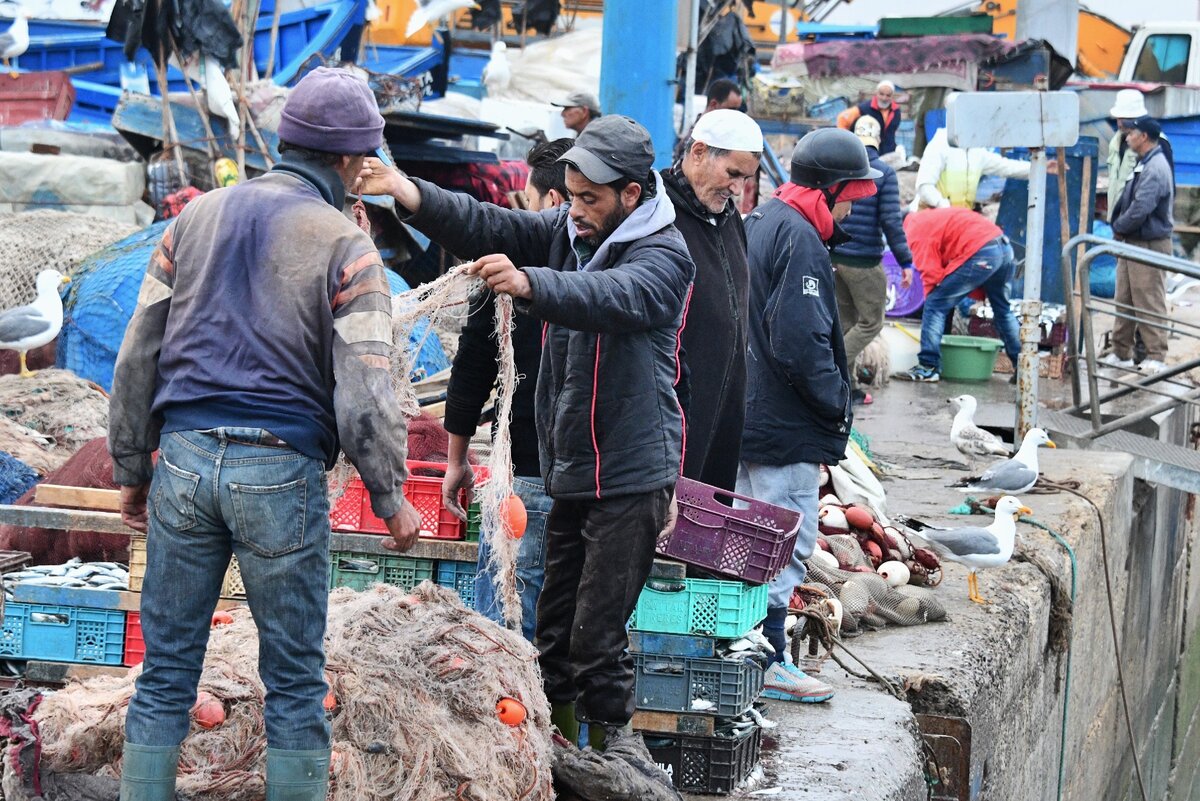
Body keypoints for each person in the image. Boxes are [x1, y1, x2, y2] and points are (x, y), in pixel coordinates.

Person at [107, 67, 420, 801]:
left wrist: (131, 467)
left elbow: (137, 353)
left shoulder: (194, 219)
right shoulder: (347, 245)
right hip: (278, 469)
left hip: (183, 463)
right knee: (293, 683)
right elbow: (367, 388)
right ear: (350, 163)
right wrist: (390, 493)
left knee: (166, 674)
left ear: (286, 142)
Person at [357, 116, 694, 757]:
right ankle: (560, 756)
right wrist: (406, 190)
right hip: (574, 470)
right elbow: (488, 223)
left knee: (598, 636)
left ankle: (620, 754)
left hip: (630, 472)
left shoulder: (665, 254)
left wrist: (531, 283)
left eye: (590, 199)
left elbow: (614, 295)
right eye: (569, 196)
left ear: (630, 194)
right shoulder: (569, 230)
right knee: (555, 632)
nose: (575, 211)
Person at [741, 127, 880, 702]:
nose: (850, 208)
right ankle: (770, 659)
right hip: (782, 424)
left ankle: (745, 654)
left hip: (748, 417)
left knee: (745, 538)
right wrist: (835, 404)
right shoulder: (797, 237)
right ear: (827, 189)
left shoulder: (763, 221)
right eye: (848, 195)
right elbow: (801, 342)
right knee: (782, 541)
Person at [441, 137, 574, 641]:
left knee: (504, 611)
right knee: (563, 618)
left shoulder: (508, 270)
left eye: (533, 201)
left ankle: (512, 715)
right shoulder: (621, 265)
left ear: (555, 204)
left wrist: (457, 461)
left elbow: (472, 370)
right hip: (598, 482)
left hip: (524, 472)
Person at [664, 109, 762, 491]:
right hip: (677, 402)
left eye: (745, 178)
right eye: (733, 174)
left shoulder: (726, 216)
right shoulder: (659, 213)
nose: (737, 188)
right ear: (699, 152)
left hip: (725, 404)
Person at [831, 115, 914, 405]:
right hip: (864, 261)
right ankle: (833, 372)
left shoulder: (842, 169)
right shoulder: (884, 173)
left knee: (845, 323)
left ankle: (847, 387)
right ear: (878, 141)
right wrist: (905, 261)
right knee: (871, 323)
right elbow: (891, 221)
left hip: (834, 257)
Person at [896, 206, 1021, 383]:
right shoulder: (929, 217)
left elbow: (930, 274)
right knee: (1003, 311)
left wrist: (930, 303)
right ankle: (1023, 368)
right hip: (1003, 247)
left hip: (982, 251)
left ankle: (928, 366)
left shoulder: (913, 229)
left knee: (934, 303)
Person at [1101, 116, 1176, 375]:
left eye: (1131, 133)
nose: (1127, 136)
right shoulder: (1143, 163)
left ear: (1143, 136)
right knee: (1125, 299)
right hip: (1132, 241)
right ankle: (1120, 351)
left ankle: (1157, 355)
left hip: (1149, 243)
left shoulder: (1156, 167)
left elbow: (1141, 208)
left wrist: (1119, 227)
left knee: (1148, 300)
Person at [1106, 89, 1174, 222]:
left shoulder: (1158, 143)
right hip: (1118, 221)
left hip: (1144, 227)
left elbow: (1166, 187)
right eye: (1118, 118)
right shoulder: (1116, 141)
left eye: (1124, 119)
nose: (1119, 123)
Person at [837, 80, 901, 155]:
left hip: (888, 152)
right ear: (876, 93)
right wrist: (846, 141)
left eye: (888, 95)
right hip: (867, 153)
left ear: (892, 96)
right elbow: (842, 118)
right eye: (881, 94)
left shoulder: (896, 111)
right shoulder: (864, 108)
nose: (884, 98)